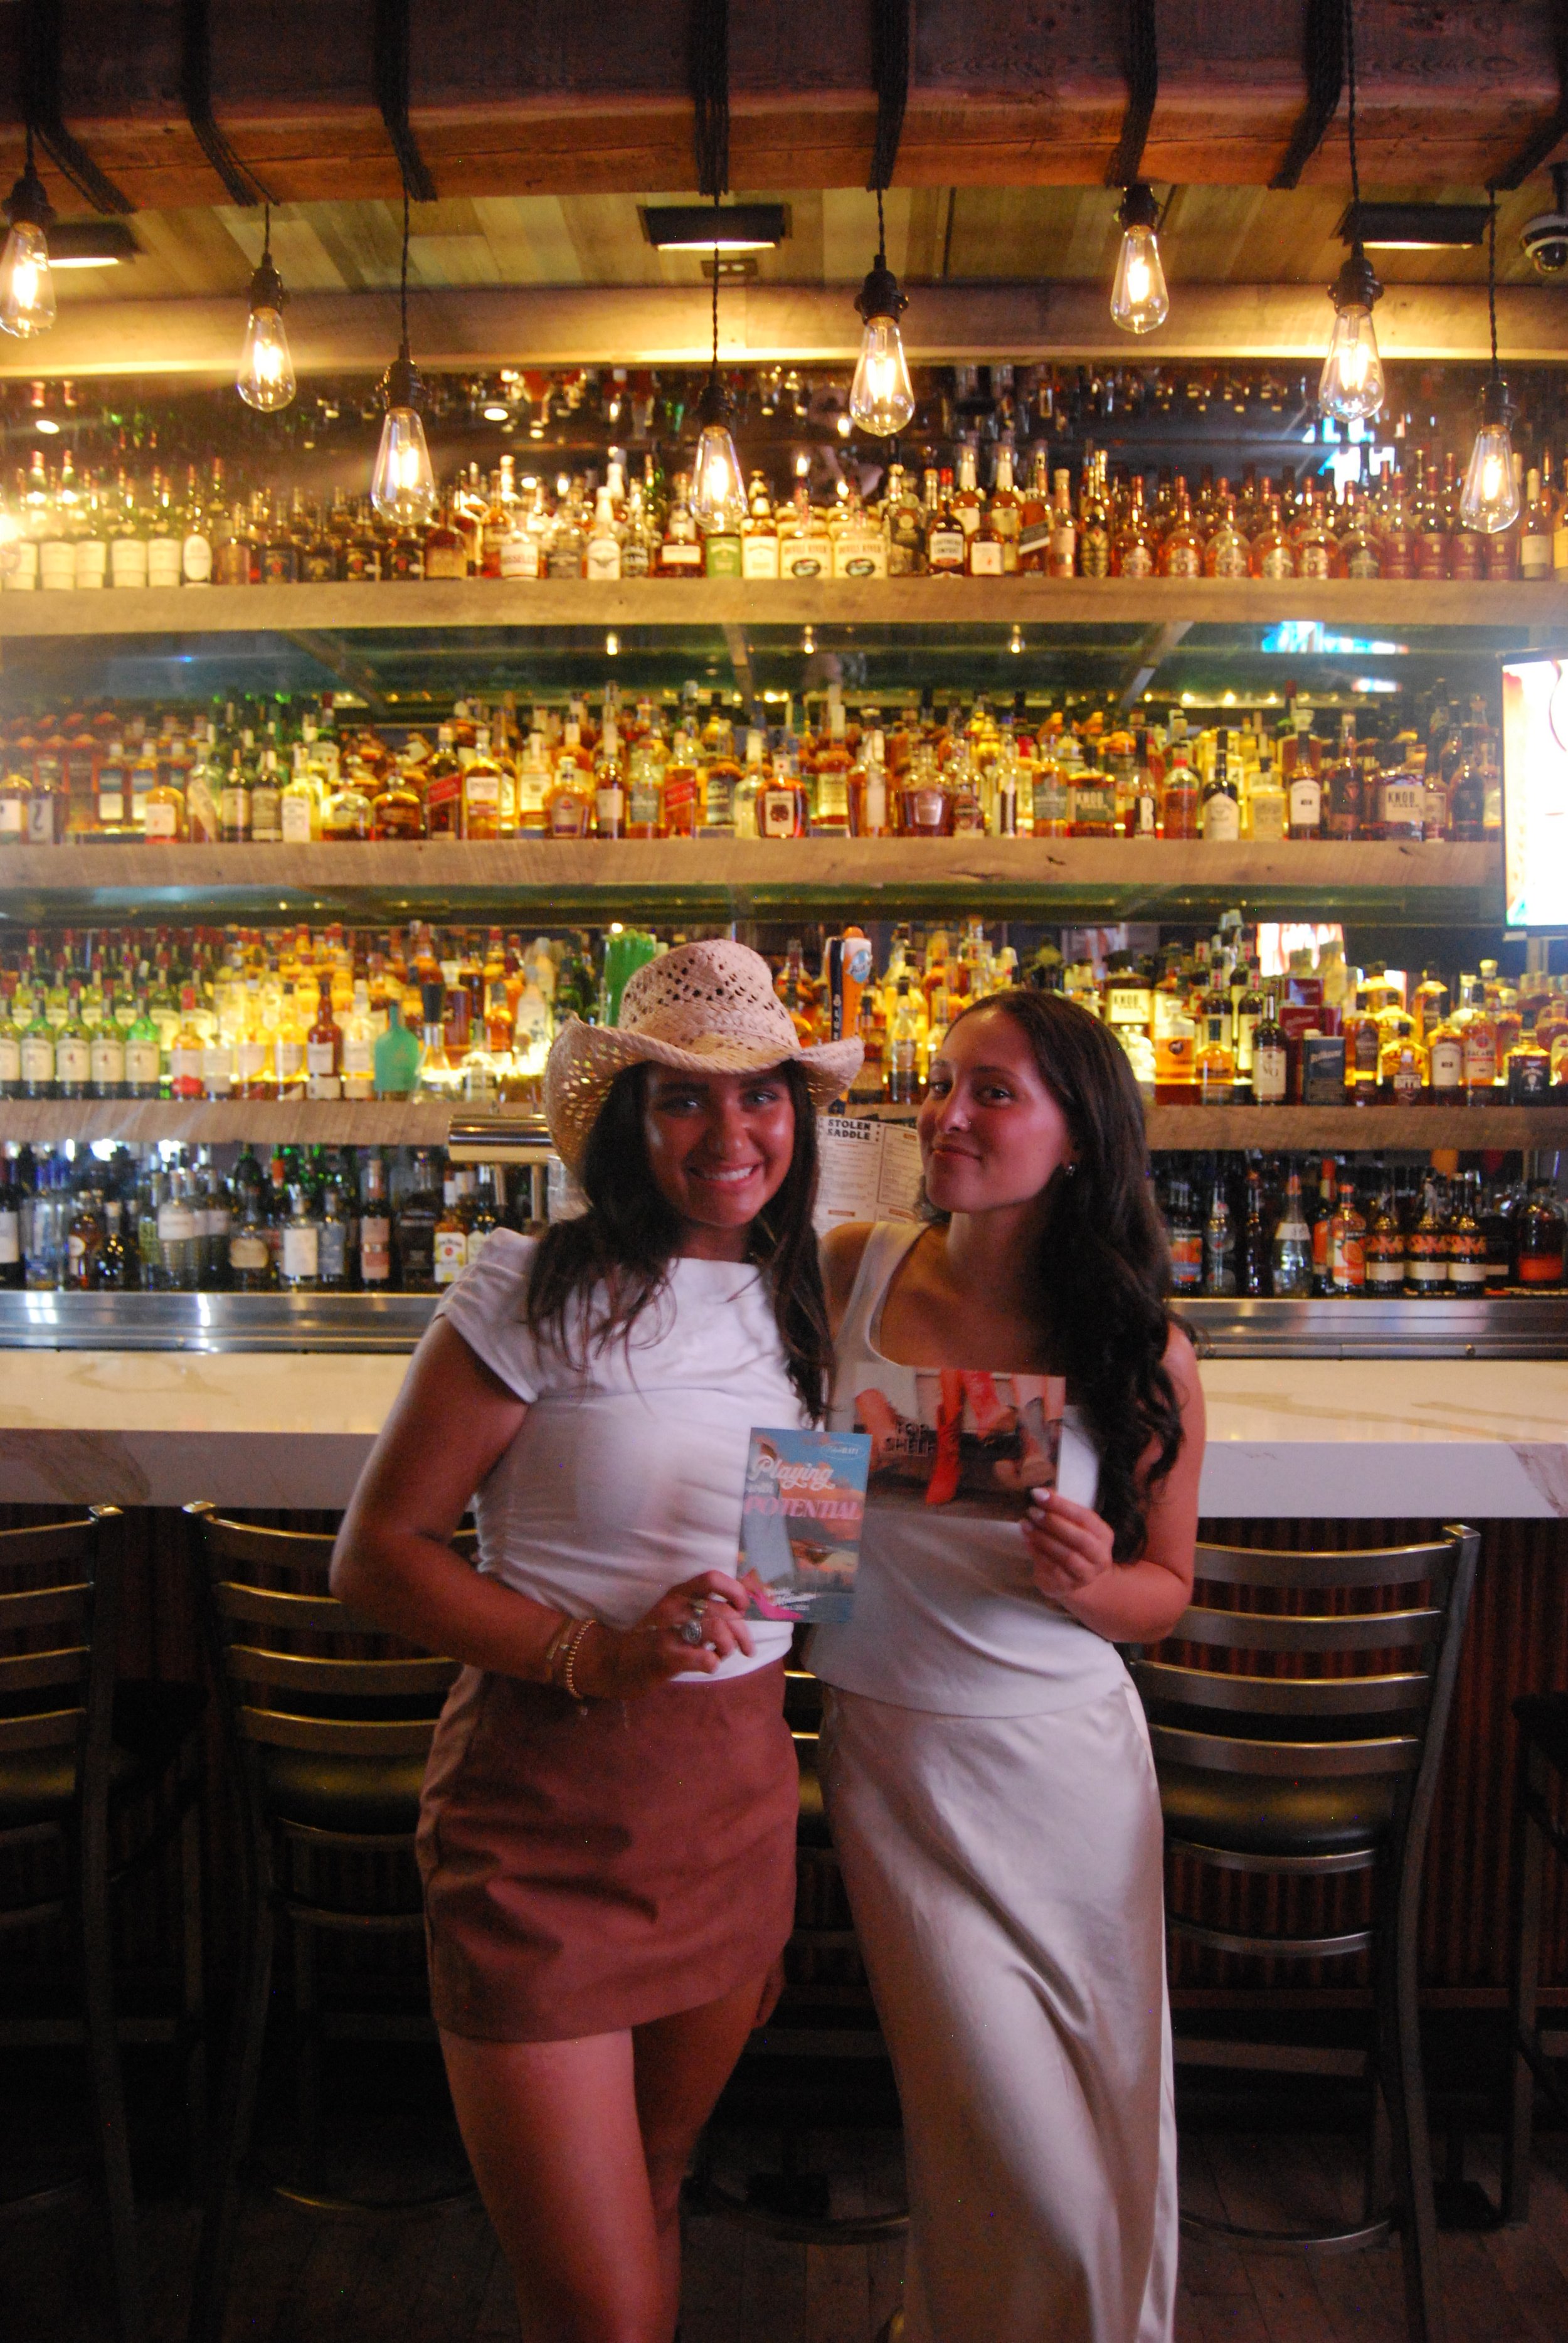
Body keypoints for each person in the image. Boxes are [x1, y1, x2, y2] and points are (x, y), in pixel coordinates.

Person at [331, 939, 861, 2343]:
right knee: (601, 2310)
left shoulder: (811, 1307)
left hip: (732, 1804)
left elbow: (801, 1580)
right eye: (681, 1099)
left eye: (759, 1096)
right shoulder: (535, 1285)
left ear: (799, 1119)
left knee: (660, 2179)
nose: (728, 1132)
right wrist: (600, 1652)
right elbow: (376, 1555)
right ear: (628, 1122)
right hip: (545, 1809)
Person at [812, 986, 1204, 2343]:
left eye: (992, 1091)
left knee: (1092, 2119)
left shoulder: (1137, 1345)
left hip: (1064, 1772)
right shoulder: (847, 1265)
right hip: (890, 1755)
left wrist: (1097, 1580)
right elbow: (787, 1527)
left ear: (1076, 1136)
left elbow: (1164, 1591)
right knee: (984, 2122)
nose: (946, 1112)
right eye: (943, 1081)